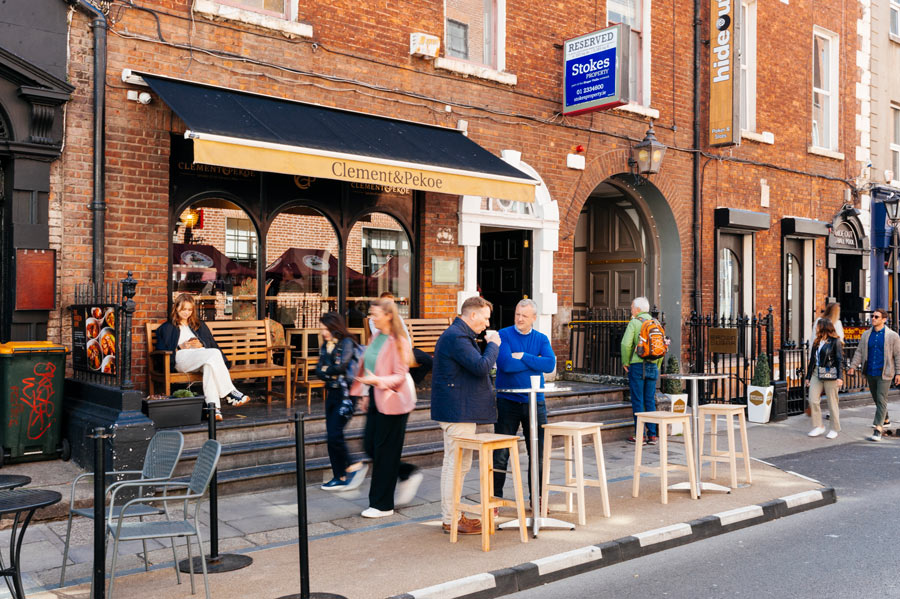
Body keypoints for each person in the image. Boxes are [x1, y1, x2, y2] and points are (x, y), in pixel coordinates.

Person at [431, 296, 501, 535]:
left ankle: (453, 516)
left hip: (459, 408)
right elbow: (481, 366)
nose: (487, 323)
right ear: (473, 315)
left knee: (457, 465)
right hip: (457, 410)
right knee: (456, 466)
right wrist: (493, 344)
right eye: (485, 318)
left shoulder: (459, 335)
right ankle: (451, 519)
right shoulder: (457, 337)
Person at [350, 298, 422, 517]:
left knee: (385, 451)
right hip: (375, 395)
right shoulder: (376, 337)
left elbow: (400, 376)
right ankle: (407, 472)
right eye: (370, 314)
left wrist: (377, 382)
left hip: (394, 399)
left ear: (388, 315)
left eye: (375, 314)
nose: (371, 317)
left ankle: (382, 505)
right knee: (370, 445)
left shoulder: (398, 340)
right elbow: (368, 366)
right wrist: (365, 392)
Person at [493, 299, 556, 503]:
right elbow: (506, 364)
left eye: (524, 316)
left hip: (535, 402)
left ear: (534, 318)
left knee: (537, 453)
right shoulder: (503, 334)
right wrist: (533, 361)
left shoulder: (541, 338)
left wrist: (523, 356)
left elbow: (549, 364)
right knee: (501, 453)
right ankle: (496, 499)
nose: (519, 319)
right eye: (517, 315)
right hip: (507, 401)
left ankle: (536, 499)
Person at [155, 293, 250, 422]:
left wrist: (201, 344)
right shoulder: (167, 327)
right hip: (181, 360)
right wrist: (179, 347)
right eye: (183, 309)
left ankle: (213, 409)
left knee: (209, 366)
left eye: (189, 310)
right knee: (214, 354)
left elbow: (210, 344)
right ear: (176, 308)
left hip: (201, 357)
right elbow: (162, 349)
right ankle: (229, 392)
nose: (186, 313)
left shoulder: (198, 325)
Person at [316, 312, 368, 491]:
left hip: (347, 395)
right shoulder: (326, 345)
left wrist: (327, 369)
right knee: (331, 436)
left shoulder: (346, 342)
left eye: (325, 329)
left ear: (333, 327)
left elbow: (342, 366)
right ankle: (339, 475)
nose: (323, 333)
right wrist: (328, 370)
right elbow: (318, 370)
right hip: (332, 393)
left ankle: (354, 464)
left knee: (334, 433)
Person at [847, 308, 900, 441]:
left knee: (881, 398)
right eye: (872, 316)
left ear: (884, 320)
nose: (873, 319)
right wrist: (852, 366)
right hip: (870, 371)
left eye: (876, 317)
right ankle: (886, 418)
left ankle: (878, 428)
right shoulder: (866, 335)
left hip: (885, 372)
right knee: (877, 398)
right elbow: (859, 352)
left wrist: (898, 373)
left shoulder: (892, 336)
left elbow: (898, 356)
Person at [620, 297, 664, 445]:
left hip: (638, 365)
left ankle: (640, 435)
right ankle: (652, 435)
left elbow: (626, 344)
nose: (631, 310)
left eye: (632, 307)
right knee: (650, 400)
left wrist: (626, 362)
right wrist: (657, 365)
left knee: (638, 400)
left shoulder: (635, 322)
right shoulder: (656, 323)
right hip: (653, 365)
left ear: (638, 309)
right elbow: (661, 347)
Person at [368, 291, 434, 384]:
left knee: (430, 361)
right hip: (391, 351)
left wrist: (408, 350)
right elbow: (380, 337)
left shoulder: (398, 318)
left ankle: (412, 381)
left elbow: (405, 335)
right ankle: (406, 382)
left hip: (406, 349)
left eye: (392, 303)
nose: (391, 306)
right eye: (388, 303)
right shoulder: (375, 320)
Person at [805, 318, 844, 439]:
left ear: (823, 327)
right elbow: (812, 360)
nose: (815, 327)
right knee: (812, 399)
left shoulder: (835, 341)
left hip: (830, 373)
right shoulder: (817, 341)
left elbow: (839, 360)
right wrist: (808, 377)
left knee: (832, 402)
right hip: (816, 373)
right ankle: (819, 426)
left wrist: (840, 377)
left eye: (817, 325)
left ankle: (834, 428)